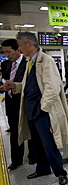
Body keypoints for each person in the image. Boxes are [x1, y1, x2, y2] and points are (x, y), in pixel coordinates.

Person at [3, 32, 68, 185]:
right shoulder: (30, 62)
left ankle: (60, 172)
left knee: (49, 143)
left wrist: (43, 107)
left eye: (20, 45)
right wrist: (15, 86)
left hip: (42, 111)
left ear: (29, 44)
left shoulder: (46, 61)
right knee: (36, 143)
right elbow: (30, 86)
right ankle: (43, 168)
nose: (19, 49)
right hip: (31, 109)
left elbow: (52, 87)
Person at [0, 39, 35, 170]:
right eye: (4, 52)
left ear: (18, 49)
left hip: (25, 104)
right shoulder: (6, 64)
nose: (7, 55)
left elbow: (31, 85)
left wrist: (16, 87)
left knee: (31, 131)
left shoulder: (28, 64)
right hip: (11, 104)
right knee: (15, 133)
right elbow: (3, 80)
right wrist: (3, 87)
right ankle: (16, 160)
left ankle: (33, 156)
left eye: (9, 52)